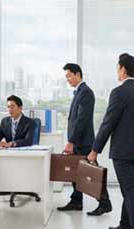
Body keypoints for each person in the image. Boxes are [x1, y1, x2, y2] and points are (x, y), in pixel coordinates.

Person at [88, 53, 134, 229]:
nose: (117, 71)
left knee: (130, 192)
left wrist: (94, 150)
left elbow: (108, 123)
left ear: (124, 69)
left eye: (118, 67)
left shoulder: (119, 93)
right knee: (130, 189)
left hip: (123, 153)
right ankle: (126, 226)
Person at [57, 63, 112, 216]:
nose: (67, 79)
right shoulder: (79, 92)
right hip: (78, 141)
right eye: (66, 76)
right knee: (76, 171)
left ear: (78, 74)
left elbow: (82, 119)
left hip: (83, 142)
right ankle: (76, 201)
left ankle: (105, 203)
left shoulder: (86, 92)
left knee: (93, 173)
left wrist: (71, 141)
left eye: (69, 75)